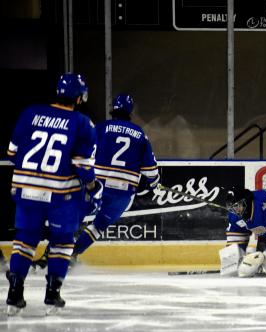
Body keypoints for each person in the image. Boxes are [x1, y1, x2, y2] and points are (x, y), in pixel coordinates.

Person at [5, 73, 102, 315]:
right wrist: (93, 188)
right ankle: (52, 294)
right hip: (60, 195)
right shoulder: (82, 123)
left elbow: (12, 153)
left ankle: (14, 294)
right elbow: (82, 166)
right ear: (79, 98)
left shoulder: (29, 113)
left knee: (25, 241)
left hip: (26, 190)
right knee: (62, 242)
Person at [72, 93, 159, 259]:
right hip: (122, 194)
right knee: (100, 225)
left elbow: (83, 153)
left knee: (75, 218)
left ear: (114, 109)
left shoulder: (100, 127)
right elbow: (150, 169)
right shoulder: (140, 134)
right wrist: (154, 183)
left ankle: (54, 253)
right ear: (130, 112)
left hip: (97, 186)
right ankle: (74, 253)